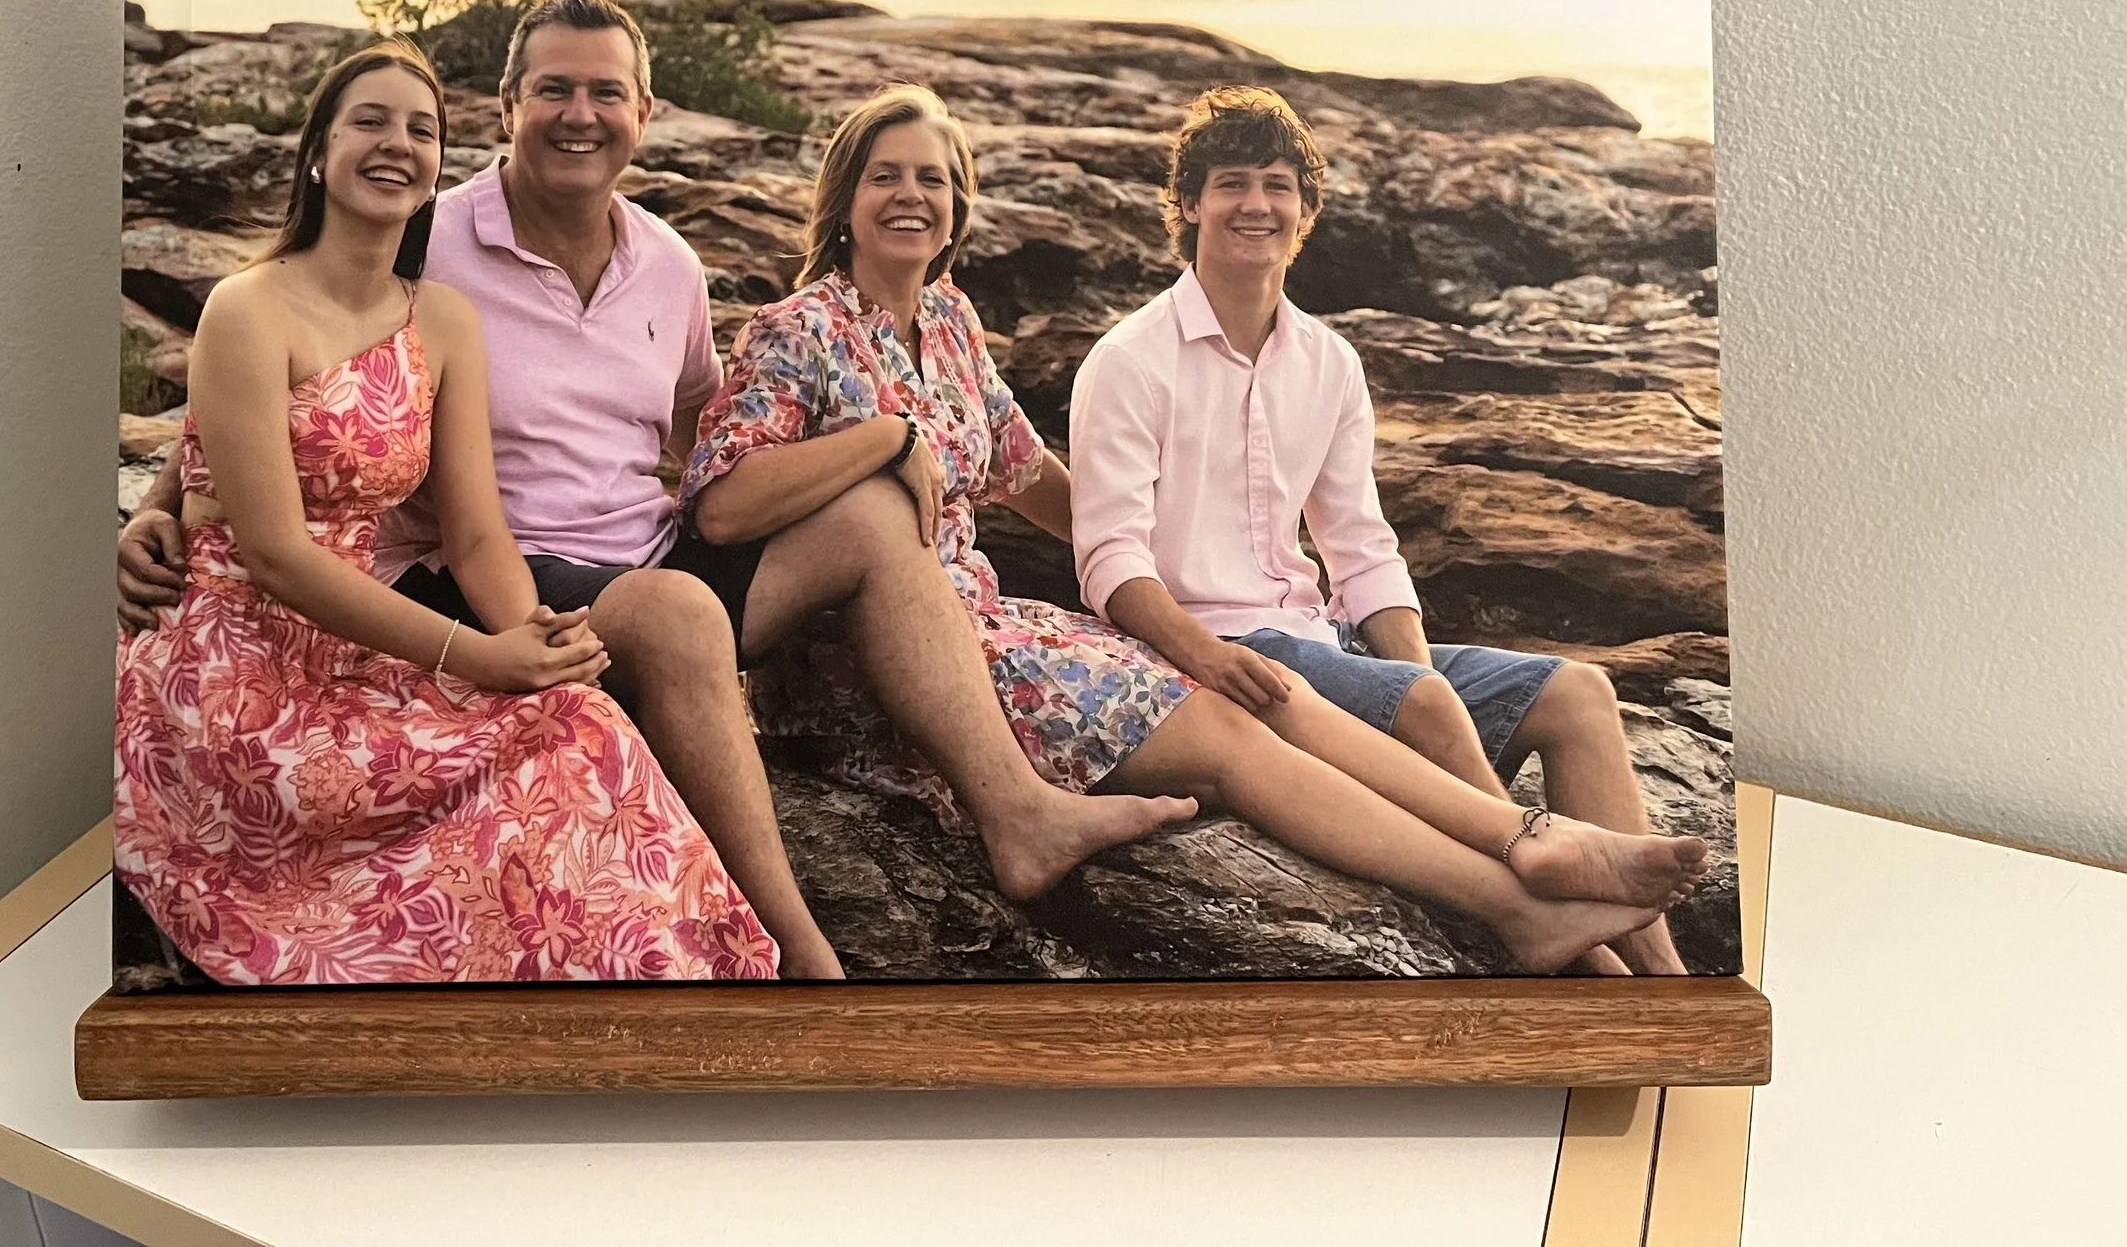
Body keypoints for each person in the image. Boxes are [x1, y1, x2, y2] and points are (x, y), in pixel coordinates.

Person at [121, 0, 1170, 970]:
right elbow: (285, 387)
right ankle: (797, 946)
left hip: (652, 555)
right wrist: (163, 509)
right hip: (481, 574)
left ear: (644, 111)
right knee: (672, 614)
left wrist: (896, 448)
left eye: (606, 93)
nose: (581, 116)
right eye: (555, 91)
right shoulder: (428, 240)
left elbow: (697, 432)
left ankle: (1016, 810)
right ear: (508, 107)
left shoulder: (667, 260)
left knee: (862, 512)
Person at [684, 84, 1706, 975]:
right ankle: (1519, 903)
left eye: (934, 180)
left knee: (1285, 702)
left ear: (958, 208)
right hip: (890, 658)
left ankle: (1528, 844)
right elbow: (721, 507)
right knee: (1230, 722)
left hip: (995, 625)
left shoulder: (948, 325)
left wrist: (1137, 549)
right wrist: (882, 442)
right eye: (886, 176)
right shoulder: (798, 331)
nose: (912, 196)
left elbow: (1024, 469)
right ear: (844, 199)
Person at [114, 40, 776, 984]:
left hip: (349, 651)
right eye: (370, 122)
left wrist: (535, 644)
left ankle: (706, 981)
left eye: (420, 129)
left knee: (579, 727)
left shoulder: (441, 318)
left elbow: (474, 532)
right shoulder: (247, 308)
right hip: (230, 671)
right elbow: (273, 552)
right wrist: (477, 656)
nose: (398, 145)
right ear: (318, 150)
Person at [1069, 84, 1703, 975]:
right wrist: (1213, 659)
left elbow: (1361, 548)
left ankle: (1666, 981)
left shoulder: (1329, 361)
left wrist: (1408, 673)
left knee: (1581, 694)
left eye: (1280, 184)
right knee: (1427, 699)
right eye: (1233, 183)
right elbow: (1107, 556)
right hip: (1212, 653)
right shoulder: (1130, 360)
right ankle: (1578, 950)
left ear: (1308, 211)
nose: (1257, 204)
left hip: (1319, 641)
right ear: (1188, 204)